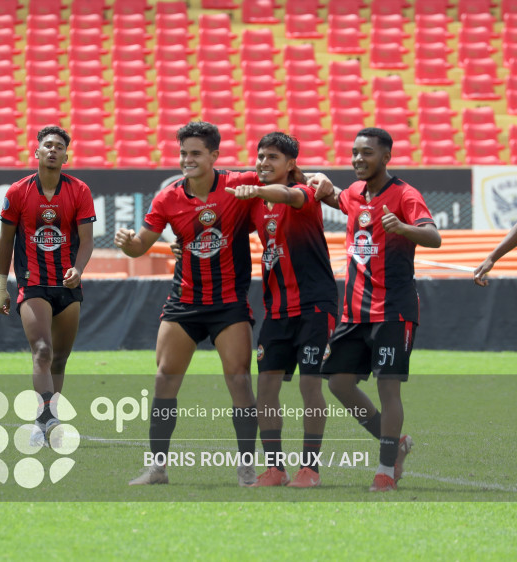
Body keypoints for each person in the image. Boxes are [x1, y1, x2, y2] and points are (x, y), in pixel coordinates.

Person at [114, 121, 259, 487]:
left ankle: (246, 469)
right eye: (183, 153)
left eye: (195, 153)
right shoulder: (168, 198)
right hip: (184, 302)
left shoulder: (241, 185)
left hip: (228, 303)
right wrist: (127, 241)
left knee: (240, 380)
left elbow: (283, 179)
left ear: (214, 156)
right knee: (164, 379)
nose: (187, 159)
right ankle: (157, 469)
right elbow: (141, 245)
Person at [313, 128, 441, 492]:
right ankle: (397, 444)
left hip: (394, 310)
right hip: (354, 312)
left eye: (366, 153)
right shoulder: (354, 192)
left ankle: (385, 469)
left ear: (386, 157)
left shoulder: (405, 194)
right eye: (354, 152)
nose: (358, 159)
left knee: (389, 389)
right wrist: (317, 186)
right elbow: (342, 200)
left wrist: (401, 226)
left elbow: (433, 236)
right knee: (338, 382)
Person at [227, 132, 337, 488]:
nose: (263, 163)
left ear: (291, 164)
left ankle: (311, 468)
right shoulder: (255, 203)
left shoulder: (304, 193)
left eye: (272, 158)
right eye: (260, 157)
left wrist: (257, 189)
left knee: (309, 385)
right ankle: (275, 468)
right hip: (276, 308)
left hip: (315, 305)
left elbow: (289, 195)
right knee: (267, 390)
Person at [0, 126, 95, 447]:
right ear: (36, 152)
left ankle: (45, 420)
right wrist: (1, 286)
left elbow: (88, 240)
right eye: (47, 145)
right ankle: (48, 421)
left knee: (60, 359)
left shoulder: (79, 191)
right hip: (33, 283)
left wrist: (78, 270)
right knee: (42, 350)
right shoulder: (17, 192)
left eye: (59, 146)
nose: (53, 150)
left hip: (67, 286)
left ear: (67, 155)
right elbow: (5, 242)